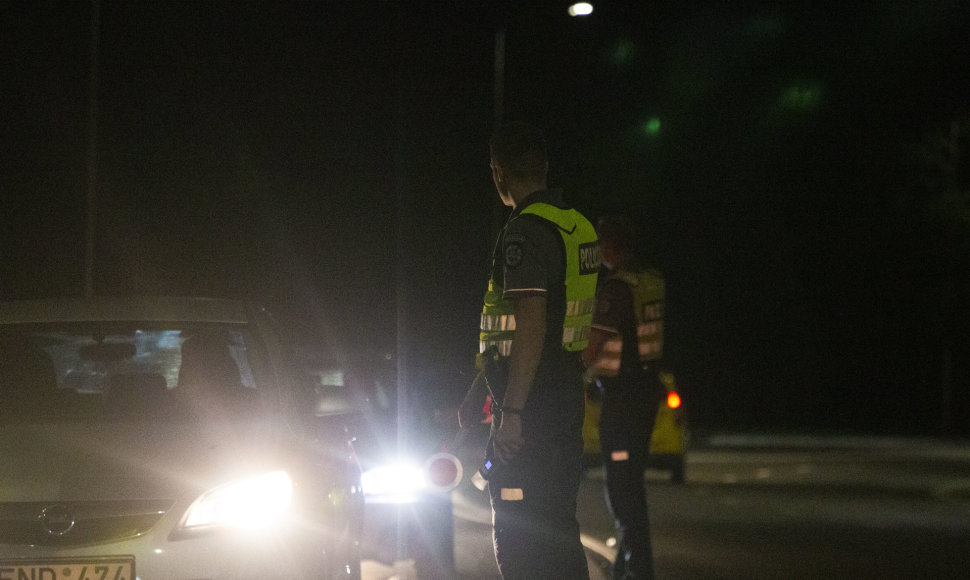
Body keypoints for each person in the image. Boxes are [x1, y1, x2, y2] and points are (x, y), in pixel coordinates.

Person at [460, 121, 600, 579]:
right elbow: (577, 321)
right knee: (558, 527)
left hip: (531, 401)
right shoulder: (578, 227)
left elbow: (531, 323)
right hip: (562, 393)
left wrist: (512, 413)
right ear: (545, 167)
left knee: (520, 536)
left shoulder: (524, 232)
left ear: (499, 173)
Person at [581, 215, 667, 580]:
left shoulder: (616, 289)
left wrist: (569, 376)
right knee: (632, 484)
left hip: (622, 401)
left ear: (610, 244)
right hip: (645, 394)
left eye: (600, 241)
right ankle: (628, 567)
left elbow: (592, 348)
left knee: (621, 489)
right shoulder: (652, 280)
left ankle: (638, 569)